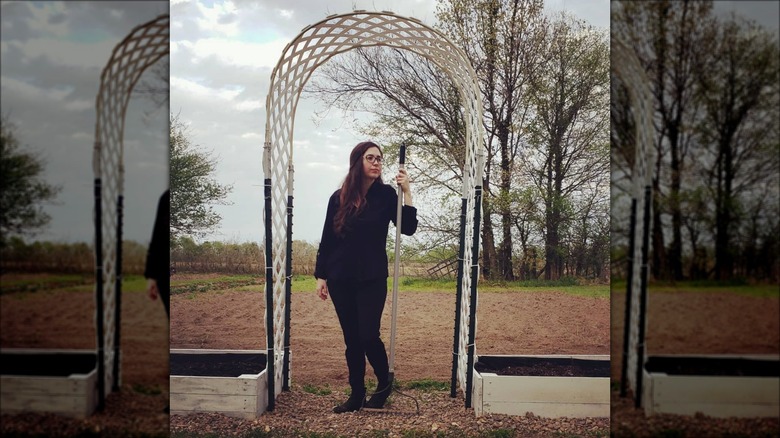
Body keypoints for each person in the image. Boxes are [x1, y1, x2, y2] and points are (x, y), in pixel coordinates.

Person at [315, 141, 417, 413]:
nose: (376, 163)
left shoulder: (386, 195)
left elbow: (407, 228)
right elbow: (328, 238)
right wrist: (321, 275)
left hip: (371, 277)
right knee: (352, 340)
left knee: (369, 335)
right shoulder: (338, 197)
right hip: (340, 277)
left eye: (379, 159)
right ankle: (357, 394)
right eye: (370, 158)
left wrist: (407, 192)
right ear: (357, 162)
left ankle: (383, 386)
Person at [145, 189, 170, 318]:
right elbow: (158, 237)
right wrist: (152, 275)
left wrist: (152, 275)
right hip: (165, 273)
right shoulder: (166, 198)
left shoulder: (166, 197)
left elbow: (157, 238)